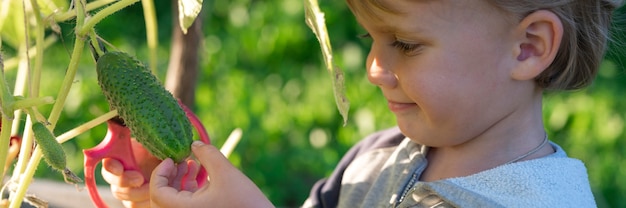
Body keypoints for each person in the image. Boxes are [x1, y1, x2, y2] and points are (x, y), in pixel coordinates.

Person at [101, 0, 624, 207]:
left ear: (528, 47)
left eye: (405, 44)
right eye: (370, 38)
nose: (373, 68)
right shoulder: (377, 158)